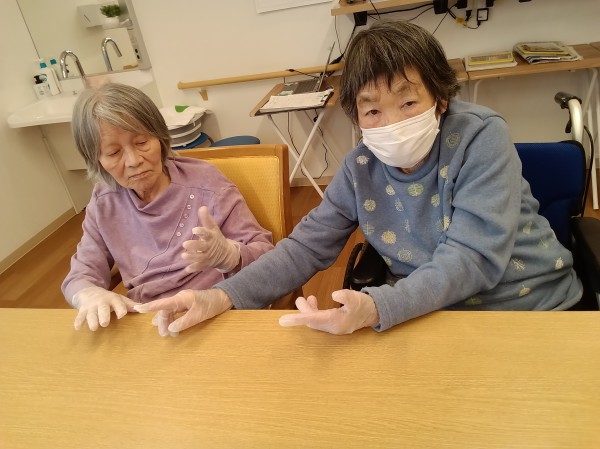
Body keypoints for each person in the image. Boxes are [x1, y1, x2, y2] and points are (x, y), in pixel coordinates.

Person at [135, 21, 582, 335]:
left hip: (533, 311)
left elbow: (472, 257)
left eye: (408, 103)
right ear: (356, 117)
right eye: (372, 111)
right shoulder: (360, 168)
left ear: (441, 98)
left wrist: (377, 306)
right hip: (431, 318)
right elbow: (304, 247)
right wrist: (220, 296)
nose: (392, 122)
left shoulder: (480, 137)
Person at [62, 83, 274, 333]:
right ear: (96, 160)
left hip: (216, 311)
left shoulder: (207, 184)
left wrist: (231, 256)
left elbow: (266, 253)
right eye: (114, 153)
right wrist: (88, 293)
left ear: (160, 138)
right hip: (152, 322)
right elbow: (81, 273)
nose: (134, 161)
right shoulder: (104, 202)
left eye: (142, 142)